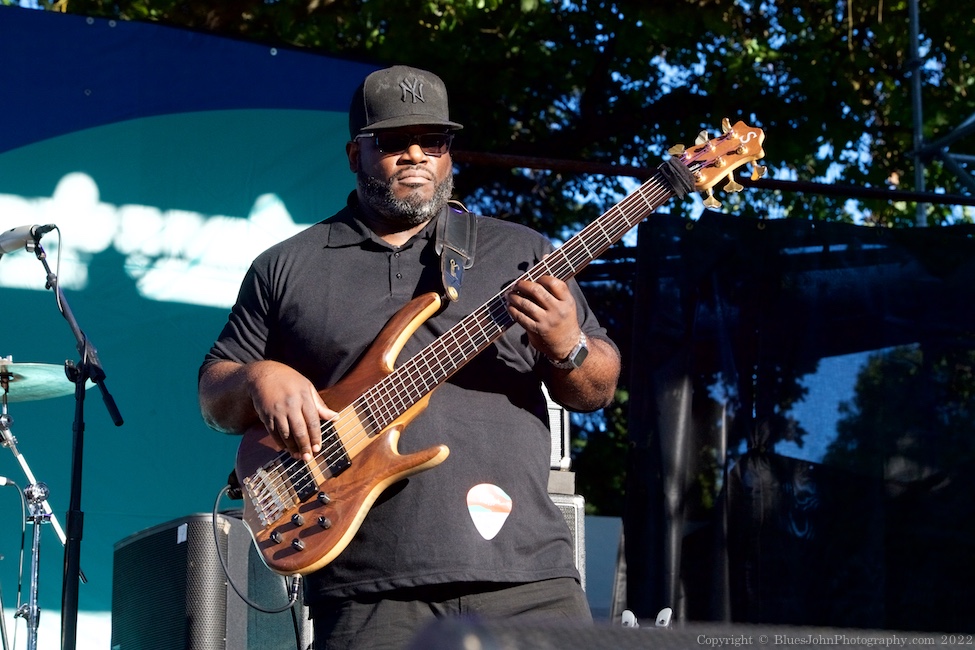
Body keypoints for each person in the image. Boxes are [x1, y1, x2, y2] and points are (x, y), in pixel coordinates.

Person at [198, 64, 621, 649]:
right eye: (394, 141)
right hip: (367, 590)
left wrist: (569, 345)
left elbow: (597, 389)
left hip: (528, 576)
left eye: (434, 141)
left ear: (450, 154)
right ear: (355, 154)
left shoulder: (521, 252)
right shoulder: (287, 266)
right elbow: (214, 395)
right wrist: (259, 376)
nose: (416, 154)